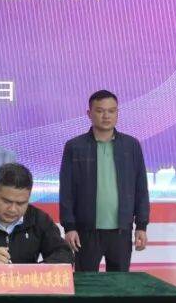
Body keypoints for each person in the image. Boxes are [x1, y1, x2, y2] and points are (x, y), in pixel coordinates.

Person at [59, 89, 150, 272]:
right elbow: (66, 190)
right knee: (85, 283)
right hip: (86, 231)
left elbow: (141, 188)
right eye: (100, 111)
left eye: (111, 111)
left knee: (119, 284)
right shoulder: (75, 147)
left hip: (121, 231)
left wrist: (141, 225)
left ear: (117, 113)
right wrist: (69, 227)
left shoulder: (131, 145)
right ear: (89, 114)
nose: (106, 116)